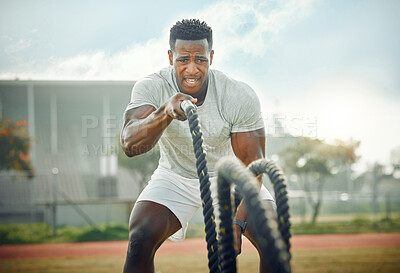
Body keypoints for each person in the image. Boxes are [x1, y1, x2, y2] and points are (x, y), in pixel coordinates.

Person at [121, 19, 277, 273]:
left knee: (272, 234)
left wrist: (236, 223)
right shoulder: (152, 86)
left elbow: (253, 167)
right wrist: (165, 112)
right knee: (139, 238)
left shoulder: (237, 94)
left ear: (211, 57)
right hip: (174, 176)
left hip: (232, 177)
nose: (192, 69)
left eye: (200, 60)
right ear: (171, 57)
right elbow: (130, 144)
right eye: (183, 60)